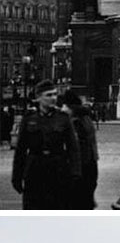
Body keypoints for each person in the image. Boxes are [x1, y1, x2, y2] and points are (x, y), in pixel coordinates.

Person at [12, 79, 81, 209]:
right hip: (35, 171)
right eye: (48, 95)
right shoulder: (29, 118)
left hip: (58, 171)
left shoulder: (63, 118)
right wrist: (17, 176)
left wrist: (75, 174)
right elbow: (20, 150)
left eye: (55, 94)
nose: (53, 98)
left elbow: (73, 149)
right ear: (38, 98)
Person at [62, 88, 99, 209]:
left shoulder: (74, 120)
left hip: (80, 165)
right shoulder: (86, 117)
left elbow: (74, 146)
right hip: (91, 163)